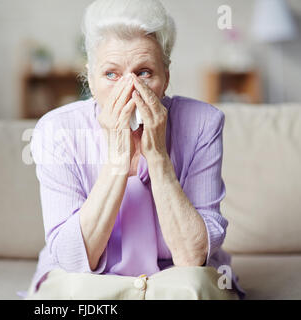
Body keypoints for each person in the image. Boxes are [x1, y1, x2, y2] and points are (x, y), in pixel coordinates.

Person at [23, 0, 245, 300]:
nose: (128, 90)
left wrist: (157, 157)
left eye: (143, 73)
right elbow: (73, 259)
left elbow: (192, 258)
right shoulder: (57, 130)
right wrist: (117, 162)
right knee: (73, 294)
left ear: (165, 77)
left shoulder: (203, 123)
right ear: (90, 78)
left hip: (175, 278)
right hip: (90, 279)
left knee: (196, 289)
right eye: (111, 74)